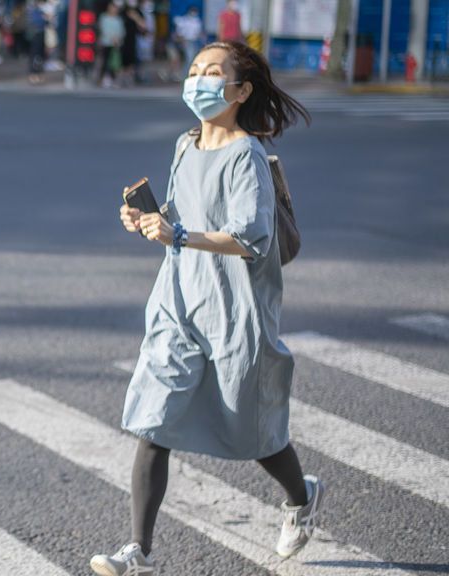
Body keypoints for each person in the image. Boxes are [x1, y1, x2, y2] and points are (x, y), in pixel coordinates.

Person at [90, 42, 318, 576]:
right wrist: (151, 219)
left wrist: (180, 232)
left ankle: (300, 497)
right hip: (179, 302)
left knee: (252, 431)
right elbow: (181, 214)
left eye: (213, 73)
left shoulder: (247, 156)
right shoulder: (185, 144)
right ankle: (138, 552)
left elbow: (251, 236)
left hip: (235, 310)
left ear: (240, 91)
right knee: (155, 423)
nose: (198, 81)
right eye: (194, 71)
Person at [97, 2, 124, 87]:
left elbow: (121, 31)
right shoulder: (104, 17)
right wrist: (111, 38)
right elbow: (103, 29)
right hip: (106, 42)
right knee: (105, 61)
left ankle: (113, 79)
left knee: (115, 63)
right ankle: (101, 79)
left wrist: (117, 39)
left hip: (116, 44)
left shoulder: (118, 19)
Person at [119, 0, 146, 85]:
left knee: (132, 58)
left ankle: (129, 77)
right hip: (122, 39)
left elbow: (144, 27)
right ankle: (121, 78)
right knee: (121, 59)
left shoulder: (138, 11)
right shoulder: (123, 11)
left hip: (134, 40)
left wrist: (135, 17)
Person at [172, 5, 203, 78]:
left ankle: (190, 74)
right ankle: (184, 75)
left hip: (195, 41)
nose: (194, 13)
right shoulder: (184, 20)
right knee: (189, 59)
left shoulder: (197, 21)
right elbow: (179, 32)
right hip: (187, 41)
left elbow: (198, 33)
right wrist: (182, 41)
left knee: (193, 59)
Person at [25, 0, 47, 84]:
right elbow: (39, 22)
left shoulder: (39, 10)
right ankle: (33, 74)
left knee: (40, 56)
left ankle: (38, 74)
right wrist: (45, 18)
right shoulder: (33, 10)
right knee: (35, 55)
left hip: (40, 34)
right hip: (35, 35)